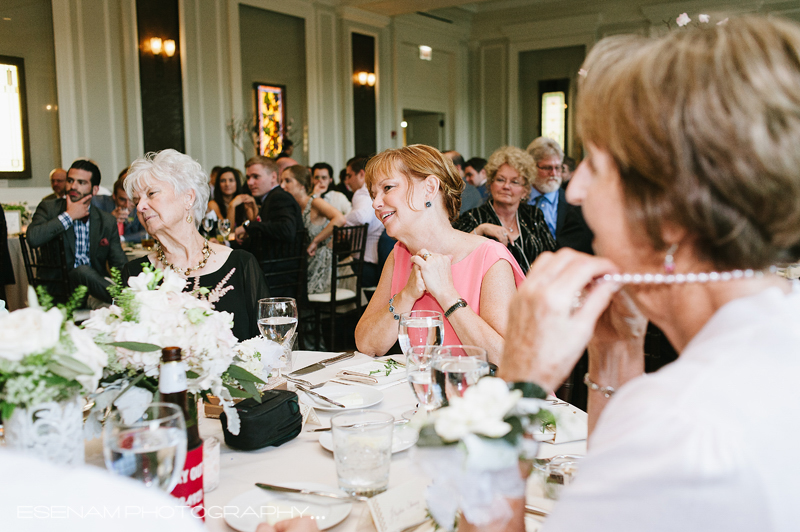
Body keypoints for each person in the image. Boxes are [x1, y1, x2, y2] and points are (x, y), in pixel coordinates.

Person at [499, 17, 800, 531]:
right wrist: (615, 354)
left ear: (668, 212)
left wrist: (516, 389)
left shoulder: (680, 427)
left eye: (594, 164)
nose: (573, 191)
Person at [355, 145, 526, 364]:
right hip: (428, 391)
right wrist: (406, 295)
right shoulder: (399, 255)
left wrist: (447, 294)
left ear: (429, 188)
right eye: (373, 194)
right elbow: (367, 344)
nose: (375, 203)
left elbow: (507, 361)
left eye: (387, 188)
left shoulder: (489, 257)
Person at [121, 149, 269, 341]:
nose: (140, 206)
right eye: (136, 200)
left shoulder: (241, 264)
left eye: (151, 194)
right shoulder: (135, 274)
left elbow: (268, 347)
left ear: (188, 197)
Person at [27, 159, 127, 304]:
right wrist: (69, 216)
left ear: (94, 189)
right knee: (81, 271)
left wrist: (131, 283)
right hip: (58, 290)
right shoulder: (48, 208)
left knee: (88, 274)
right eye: (70, 180)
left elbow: (119, 263)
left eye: (81, 182)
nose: (73, 186)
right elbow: (33, 238)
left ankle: (124, 299)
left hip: (94, 290)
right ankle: (125, 302)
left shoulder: (106, 220)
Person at [454, 146, 555, 274]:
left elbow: (552, 254)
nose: (506, 186)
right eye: (500, 180)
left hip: (533, 290)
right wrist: (480, 230)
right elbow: (455, 253)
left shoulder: (533, 215)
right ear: (490, 184)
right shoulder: (473, 217)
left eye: (515, 182)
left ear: (525, 190)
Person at [234, 155, 304, 298]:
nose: (250, 182)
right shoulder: (270, 198)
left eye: (256, 177)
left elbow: (287, 230)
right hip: (274, 270)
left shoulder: (279, 197)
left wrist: (250, 226)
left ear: (273, 176)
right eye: (248, 177)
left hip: (280, 275)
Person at [279, 164, 346, 294]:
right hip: (304, 265)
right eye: (281, 181)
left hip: (321, 266)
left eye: (287, 181)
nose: (282, 186)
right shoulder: (294, 207)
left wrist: (315, 241)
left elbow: (340, 219)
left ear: (302, 185)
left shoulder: (315, 202)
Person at [526, 137, 593, 254]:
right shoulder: (518, 199)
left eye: (558, 168)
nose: (554, 173)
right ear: (531, 167)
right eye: (547, 168)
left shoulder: (573, 203)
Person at [342, 156, 385, 288]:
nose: (347, 181)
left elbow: (362, 217)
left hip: (364, 267)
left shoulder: (362, 193)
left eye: (349, 176)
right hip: (377, 264)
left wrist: (342, 220)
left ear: (361, 174)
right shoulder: (380, 191)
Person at [207, 166, 249, 235]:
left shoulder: (243, 200)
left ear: (237, 183)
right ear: (218, 184)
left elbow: (254, 224)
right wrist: (232, 205)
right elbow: (226, 230)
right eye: (223, 181)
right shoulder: (213, 204)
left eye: (231, 180)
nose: (227, 184)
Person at [111, 172, 146, 243]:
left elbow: (146, 233)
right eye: (122, 199)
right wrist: (110, 219)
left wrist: (122, 238)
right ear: (114, 196)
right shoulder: (99, 203)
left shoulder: (140, 208)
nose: (127, 205)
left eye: (131, 200)